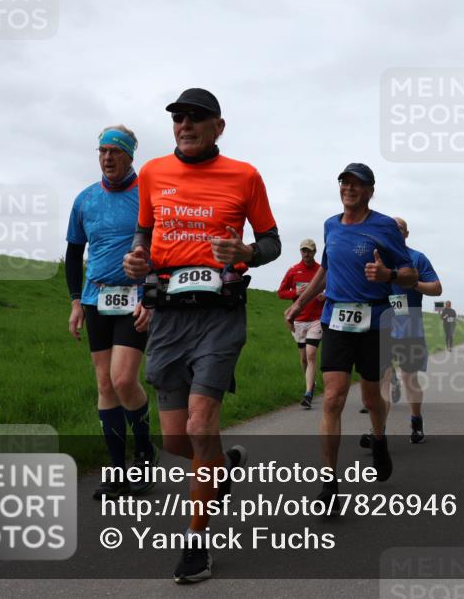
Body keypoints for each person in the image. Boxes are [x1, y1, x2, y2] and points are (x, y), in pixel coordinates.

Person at [123, 88, 281, 584]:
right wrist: (136, 260)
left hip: (220, 315)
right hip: (169, 315)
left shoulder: (245, 175)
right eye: (178, 118)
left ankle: (197, 545)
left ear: (218, 126)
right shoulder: (151, 173)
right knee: (177, 440)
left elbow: (272, 241)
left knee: (197, 424)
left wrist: (247, 251)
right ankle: (222, 464)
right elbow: (143, 234)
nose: (184, 125)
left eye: (196, 118)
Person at [284, 163, 417, 505]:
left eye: (358, 184)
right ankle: (329, 485)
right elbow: (326, 271)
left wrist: (387, 273)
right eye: (345, 182)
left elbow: (408, 273)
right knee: (333, 397)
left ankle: (380, 438)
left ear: (370, 191)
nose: (349, 188)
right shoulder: (331, 225)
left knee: (372, 399)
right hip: (336, 321)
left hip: (373, 322)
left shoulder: (385, 227)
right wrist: (300, 303)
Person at [66, 124, 156, 500]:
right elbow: (73, 252)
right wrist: (75, 301)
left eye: (115, 151)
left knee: (122, 380)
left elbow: (163, 249)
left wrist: (150, 297)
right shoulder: (85, 199)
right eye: (102, 151)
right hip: (96, 299)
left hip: (134, 298)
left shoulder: (146, 196)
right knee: (104, 384)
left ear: (130, 156)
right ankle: (118, 471)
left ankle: (145, 456)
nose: (107, 158)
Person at [372, 217, 441, 445]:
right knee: (383, 379)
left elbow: (436, 289)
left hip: (409, 326)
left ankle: (416, 420)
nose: (394, 231)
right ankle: (379, 432)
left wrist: (412, 283)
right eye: (390, 228)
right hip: (382, 325)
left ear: (406, 234)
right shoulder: (377, 257)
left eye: (398, 228)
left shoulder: (417, 258)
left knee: (410, 378)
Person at [277, 239, 325, 408]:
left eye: (309, 251)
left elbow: (333, 288)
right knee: (304, 359)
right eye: (303, 250)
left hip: (316, 319)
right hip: (299, 321)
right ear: (300, 252)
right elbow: (281, 292)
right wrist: (295, 292)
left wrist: (325, 295)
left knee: (312, 354)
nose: (306, 254)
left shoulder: (322, 270)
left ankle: (308, 394)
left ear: (315, 252)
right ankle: (311, 384)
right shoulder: (293, 271)